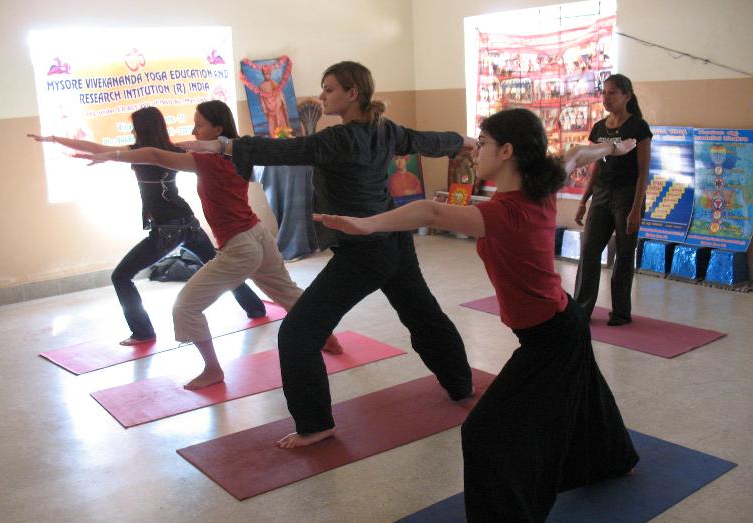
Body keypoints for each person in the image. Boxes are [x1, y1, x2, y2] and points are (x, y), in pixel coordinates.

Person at [316, 108, 640, 523]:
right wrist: (613, 147)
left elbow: (430, 210)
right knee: (586, 397)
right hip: (561, 321)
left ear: (506, 151)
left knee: (485, 431)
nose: (474, 150)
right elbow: (575, 153)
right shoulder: (542, 184)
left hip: (551, 337)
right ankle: (615, 460)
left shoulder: (503, 213)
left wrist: (367, 224)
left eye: (483, 143)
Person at [199, 61, 474, 448]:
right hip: (394, 242)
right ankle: (460, 385)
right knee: (423, 314)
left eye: (329, 89)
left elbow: (290, 149)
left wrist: (226, 145)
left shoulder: (340, 138)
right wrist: (462, 141)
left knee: (298, 333)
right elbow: (422, 140)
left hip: (364, 251)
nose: (322, 96)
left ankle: (315, 424)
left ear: (353, 93)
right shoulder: (384, 129)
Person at [71, 101, 341, 389]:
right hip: (259, 234)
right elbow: (156, 152)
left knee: (185, 307)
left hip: (241, 246)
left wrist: (111, 156)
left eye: (199, 124)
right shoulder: (240, 153)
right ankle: (328, 337)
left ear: (217, 128)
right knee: (286, 292)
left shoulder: (206, 162)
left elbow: (153, 154)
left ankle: (212, 370)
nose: (194, 130)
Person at [28, 107, 265, 345]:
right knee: (221, 269)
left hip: (167, 230)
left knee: (121, 276)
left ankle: (142, 332)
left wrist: (55, 139)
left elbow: (97, 148)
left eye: (134, 127)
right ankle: (255, 308)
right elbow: (97, 149)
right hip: (188, 223)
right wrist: (56, 139)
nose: (132, 132)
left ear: (142, 129)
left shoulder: (142, 153)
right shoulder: (172, 150)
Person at [573, 74, 652, 326]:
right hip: (601, 195)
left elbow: (643, 172)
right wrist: (584, 200)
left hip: (627, 196)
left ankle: (621, 312)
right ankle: (581, 309)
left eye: (612, 93)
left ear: (626, 96)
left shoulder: (638, 127)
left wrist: (636, 208)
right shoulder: (599, 128)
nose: (606, 98)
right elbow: (595, 167)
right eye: (604, 92)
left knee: (624, 253)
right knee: (589, 250)